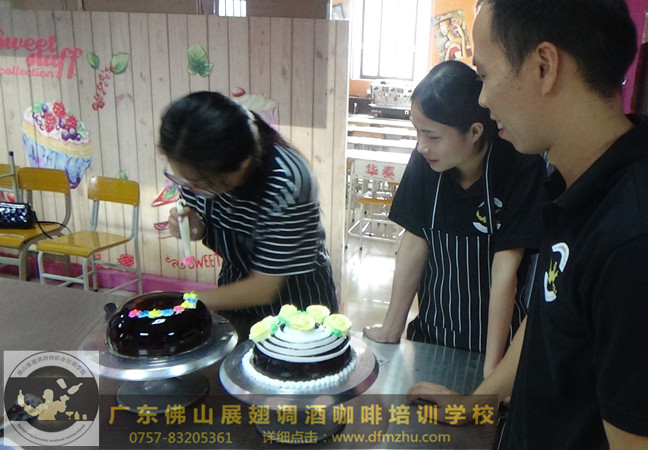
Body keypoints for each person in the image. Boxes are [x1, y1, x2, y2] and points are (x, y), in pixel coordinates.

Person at [407, 1, 648, 448]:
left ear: (544, 66)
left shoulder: (646, 248)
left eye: (485, 74)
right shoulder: (577, 188)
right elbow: (548, 317)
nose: (482, 99)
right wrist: (477, 405)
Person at [363, 60, 547, 377]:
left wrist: (492, 370)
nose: (421, 146)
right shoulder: (425, 162)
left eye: (432, 136)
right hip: (432, 337)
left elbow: (505, 271)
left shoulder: (519, 166)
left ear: (475, 131)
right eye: (417, 132)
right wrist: (392, 328)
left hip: (497, 344)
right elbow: (414, 243)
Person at [160, 91, 338, 337]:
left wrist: (184, 302)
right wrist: (194, 228)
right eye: (184, 180)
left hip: (297, 307)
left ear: (242, 164)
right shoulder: (197, 168)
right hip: (235, 292)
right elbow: (201, 218)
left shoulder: (287, 182)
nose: (192, 188)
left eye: (201, 182)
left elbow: (264, 288)